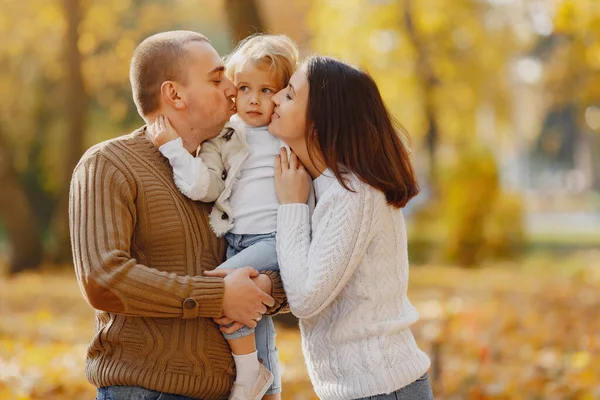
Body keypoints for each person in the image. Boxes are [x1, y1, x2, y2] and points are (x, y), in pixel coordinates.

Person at [69, 30, 288, 400]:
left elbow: (263, 256)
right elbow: (104, 278)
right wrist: (216, 295)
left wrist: (269, 290)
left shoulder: (230, 169)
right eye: (217, 79)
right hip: (146, 390)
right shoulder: (109, 164)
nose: (233, 89)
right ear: (175, 94)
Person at [269, 55, 434, 400]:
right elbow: (311, 279)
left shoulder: (355, 192)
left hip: (382, 388)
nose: (273, 99)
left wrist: (292, 207)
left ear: (319, 121)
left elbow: (306, 299)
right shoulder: (319, 184)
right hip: (357, 390)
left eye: (289, 95)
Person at [147, 34, 302, 400]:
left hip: (276, 238)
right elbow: (204, 186)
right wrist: (172, 148)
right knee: (252, 314)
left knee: (221, 290)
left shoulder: (289, 134)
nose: (253, 99)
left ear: (283, 94)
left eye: (267, 90)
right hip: (237, 239)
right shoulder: (227, 135)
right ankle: (268, 389)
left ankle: (248, 375)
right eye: (245, 87)